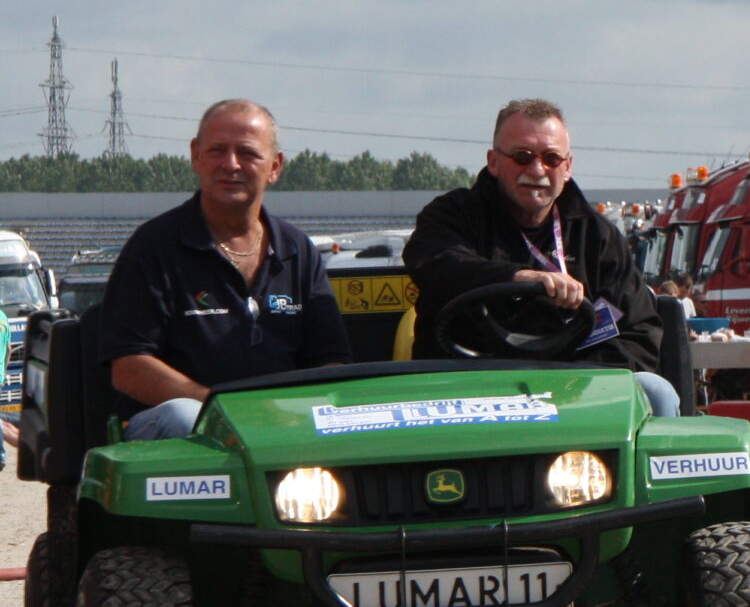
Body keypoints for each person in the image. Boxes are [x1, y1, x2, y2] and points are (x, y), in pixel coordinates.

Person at [96, 100, 353, 440]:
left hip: (281, 428)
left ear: (275, 166)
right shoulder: (153, 247)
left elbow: (331, 363)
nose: (230, 164)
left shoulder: (298, 251)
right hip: (179, 432)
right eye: (217, 150)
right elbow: (129, 368)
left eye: (247, 153)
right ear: (195, 155)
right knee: (183, 415)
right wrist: (222, 411)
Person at [405, 99, 679, 416]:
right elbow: (436, 263)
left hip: (574, 391)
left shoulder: (598, 236)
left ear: (568, 166)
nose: (537, 170)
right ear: (493, 162)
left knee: (656, 392)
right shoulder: (452, 215)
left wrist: (581, 381)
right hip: (467, 387)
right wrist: (518, 278)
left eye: (551, 158)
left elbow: (636, 331)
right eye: (522, 157)